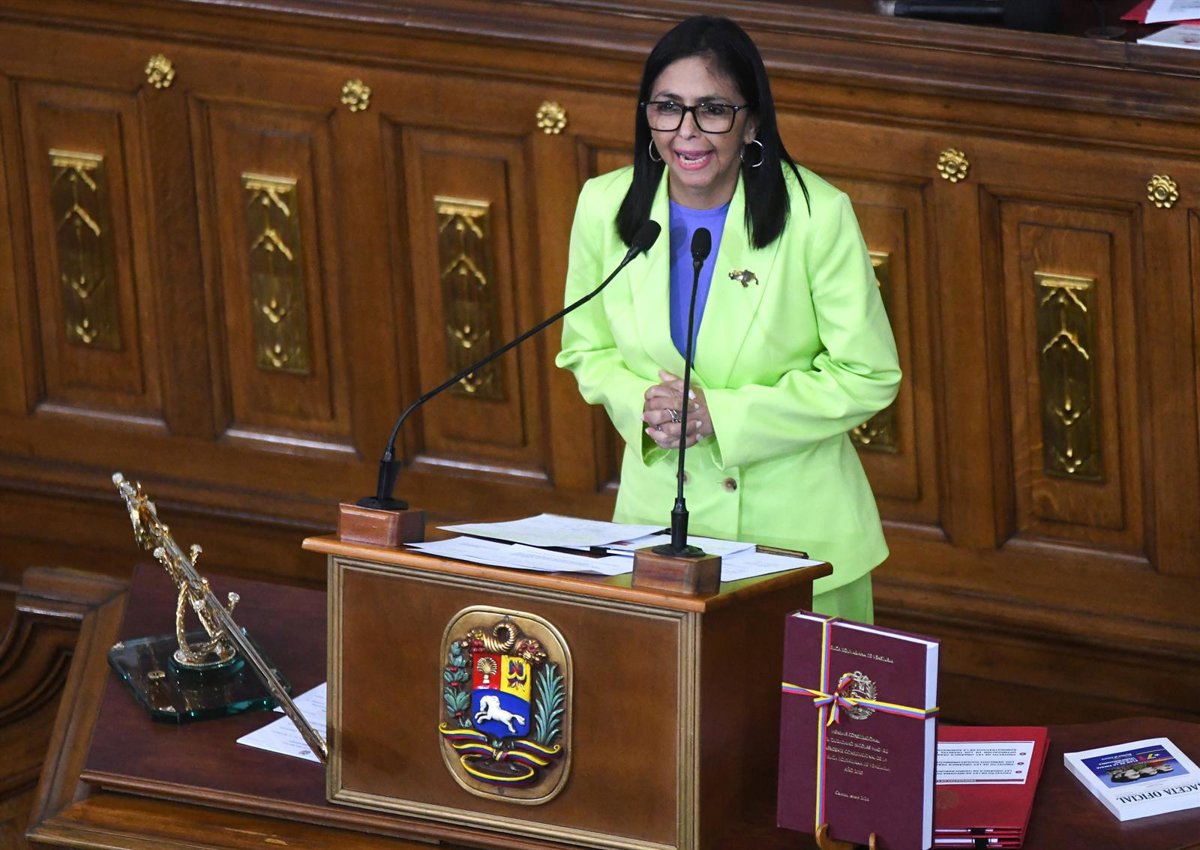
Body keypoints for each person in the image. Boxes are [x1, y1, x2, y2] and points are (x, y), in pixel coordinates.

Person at [555, 15, 900, 622]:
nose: (687, 132)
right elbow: (585, 348)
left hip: (800, 550)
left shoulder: (817, 216)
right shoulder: (605, 204)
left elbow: (867, 374)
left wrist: (722, 417)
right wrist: (643, 406)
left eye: (712, 110)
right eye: (668, 108)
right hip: (656, 541)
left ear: (752, 122)